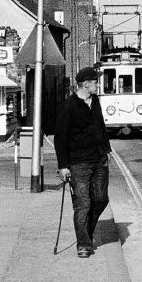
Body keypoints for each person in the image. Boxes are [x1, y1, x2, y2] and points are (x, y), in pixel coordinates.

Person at [54, 66, 112, 259]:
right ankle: (84, 244)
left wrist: (108, 150)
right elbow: (60, 138)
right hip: (79, 163)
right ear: (85, 84)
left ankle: (86, 230)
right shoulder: (68, 106)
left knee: (101, 199)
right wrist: (63, 166)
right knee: (83, 204)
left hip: (99, 159)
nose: (98, 84)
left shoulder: (95, 102)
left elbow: (101, 127)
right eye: (95, 81)